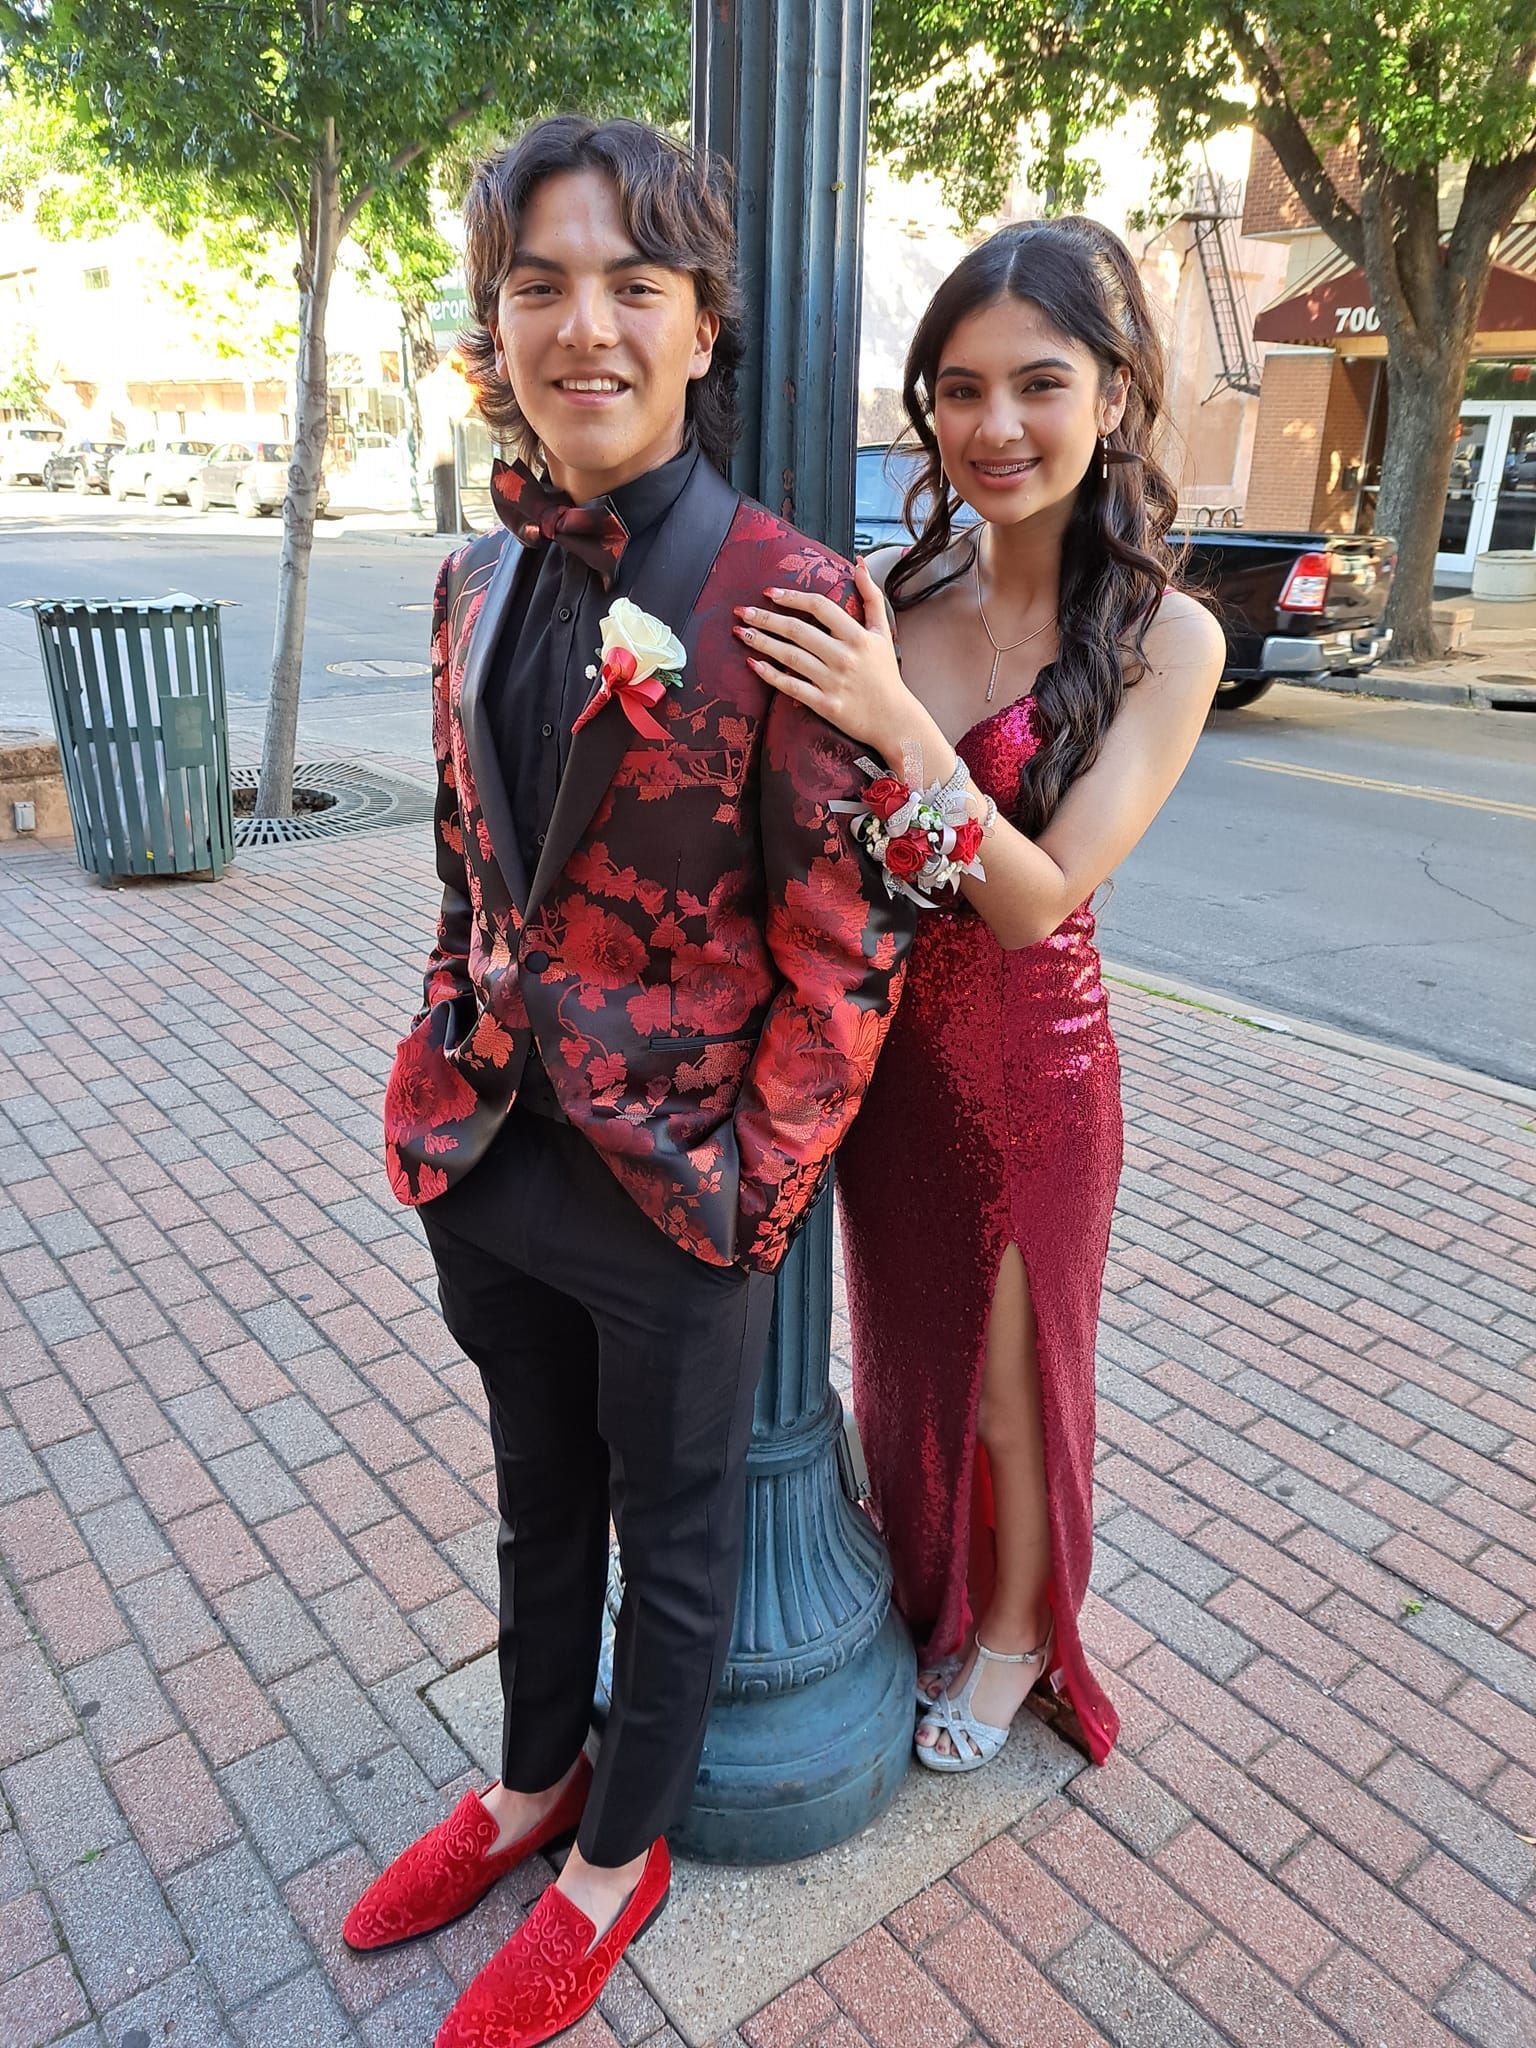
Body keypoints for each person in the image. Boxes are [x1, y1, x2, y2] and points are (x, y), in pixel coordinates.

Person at [348, 116, 912, 2045]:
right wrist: (439, 1056)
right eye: (537, 286)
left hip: (682, 1194)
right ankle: (530, 1785)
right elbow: (463, 856)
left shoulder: (788, 591)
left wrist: (754, 1188)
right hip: (493, 1151)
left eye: (630, 285)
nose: (580, 324)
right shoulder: (465, 580)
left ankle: (618, 1862)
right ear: (493, 326)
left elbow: (850, 946)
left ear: (701, 326)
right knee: (531, 1498)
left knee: (679, 1546)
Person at [737, 217, 1223, 1772]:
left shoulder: (1169, 637)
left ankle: (1015, 1636)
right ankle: (931, 1589)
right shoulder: (895, 585)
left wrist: (895, 718)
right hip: (885, 1065)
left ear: (1115, 393)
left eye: (1038, 384)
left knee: (1018, 1383)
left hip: (1034, 1068)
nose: (995, 427)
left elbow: (1033, 898)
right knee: (908, 1361)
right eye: (959, 389)